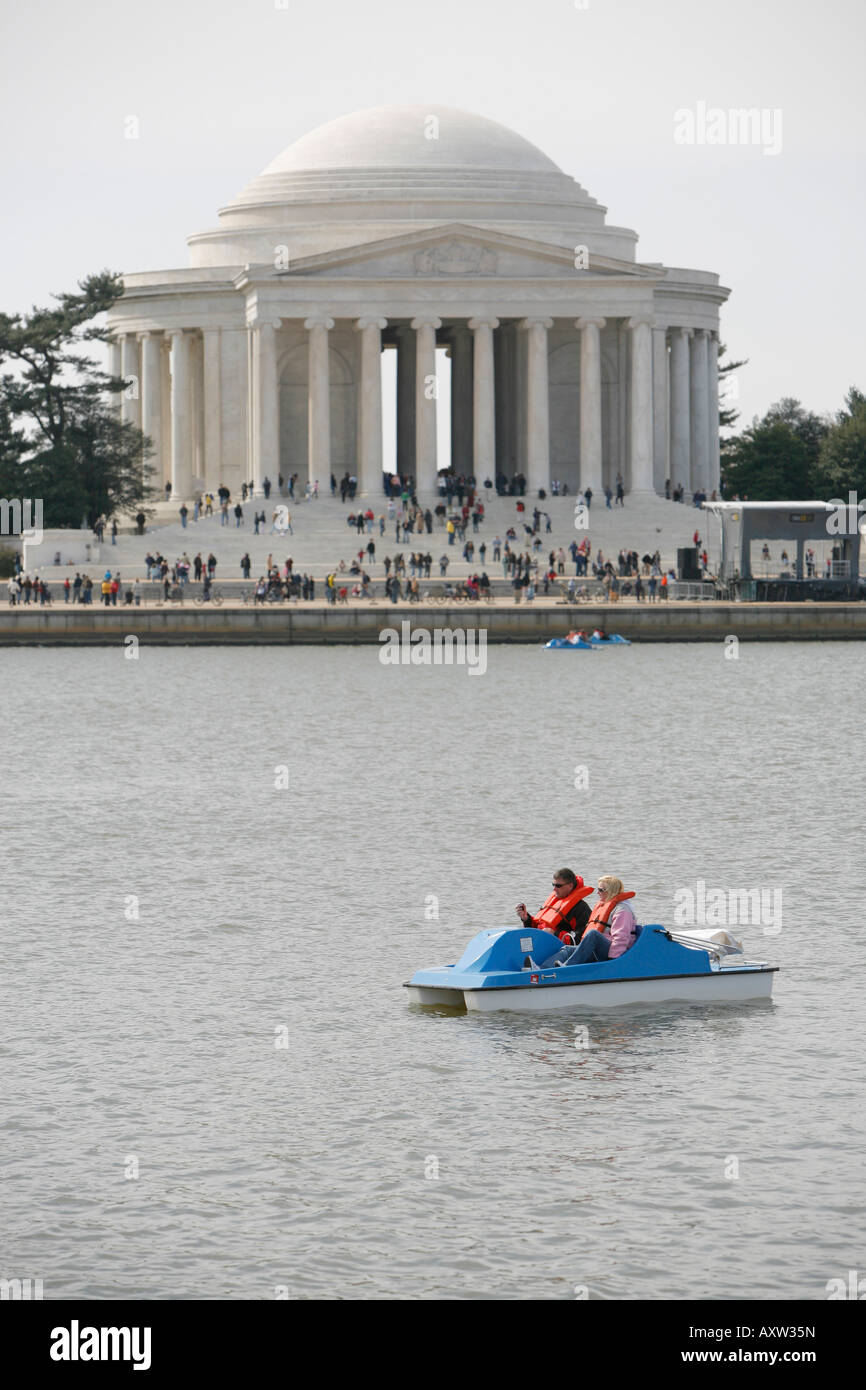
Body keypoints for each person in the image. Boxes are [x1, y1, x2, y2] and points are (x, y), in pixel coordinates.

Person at [555, 877, 637, 964]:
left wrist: (613, 960)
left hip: (611, 952)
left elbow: (621, 938)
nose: (597, 893)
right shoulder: (603, 906)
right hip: (597, 948)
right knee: (567, 949)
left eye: (601, 890)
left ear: (611, 891)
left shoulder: (622, 910)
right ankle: (542, 971)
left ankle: (567, 967)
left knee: (593, 934)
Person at [515, 869, 593, 946]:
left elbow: (581, 939)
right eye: (553, 885)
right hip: (543, 942)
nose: (554, 889)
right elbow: (539, 928)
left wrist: (555, 934)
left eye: (558, 886)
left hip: (563, 949)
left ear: (570, 885)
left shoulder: (582, 909)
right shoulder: (554, 902)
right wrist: (526, 918)